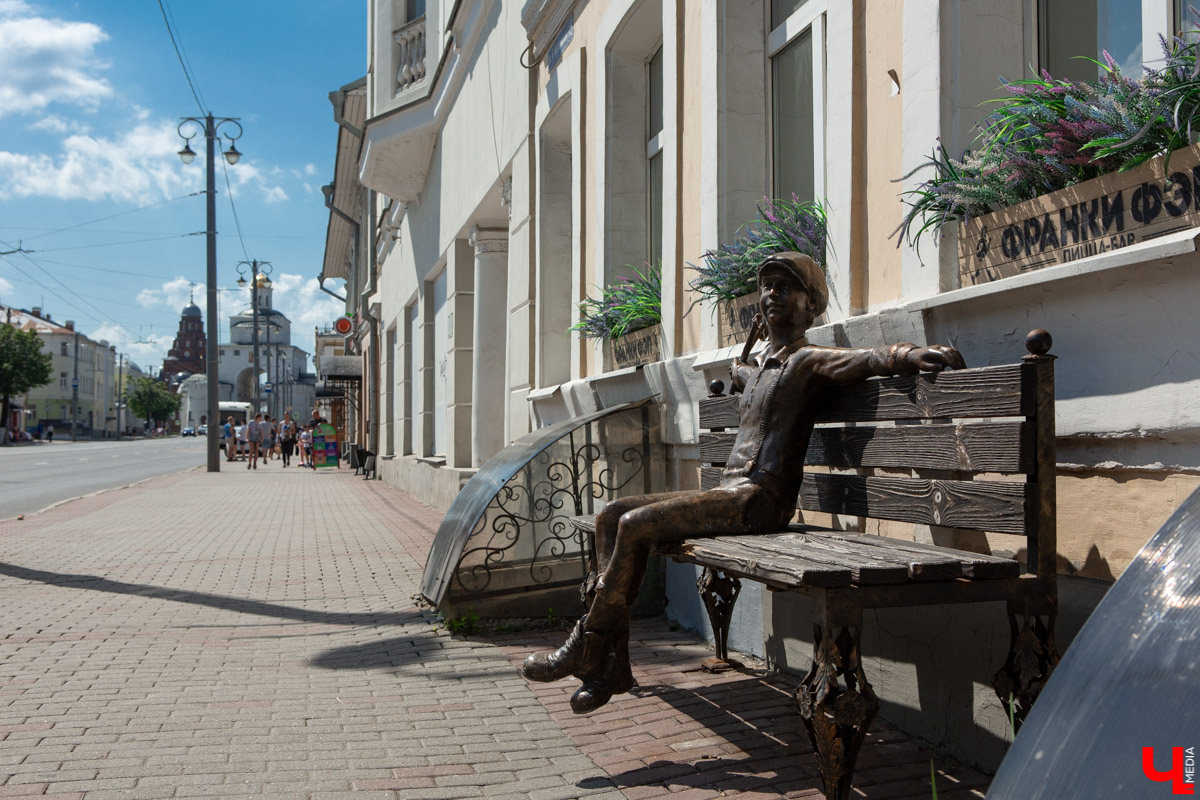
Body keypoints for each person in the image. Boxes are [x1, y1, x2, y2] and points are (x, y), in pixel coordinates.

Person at [520, 252, 967, 714]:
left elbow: (864, 359)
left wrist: (909, 355)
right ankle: (610, 663)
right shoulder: (762, 370)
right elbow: (750, 377)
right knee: (611, 515)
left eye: (786, 287)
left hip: (760, 500)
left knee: (634, 524)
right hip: (729, 493)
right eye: (767, 286)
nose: (773, 293)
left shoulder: (807, 361)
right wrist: (742, 372)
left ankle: (589, 645)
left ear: (811, 305)